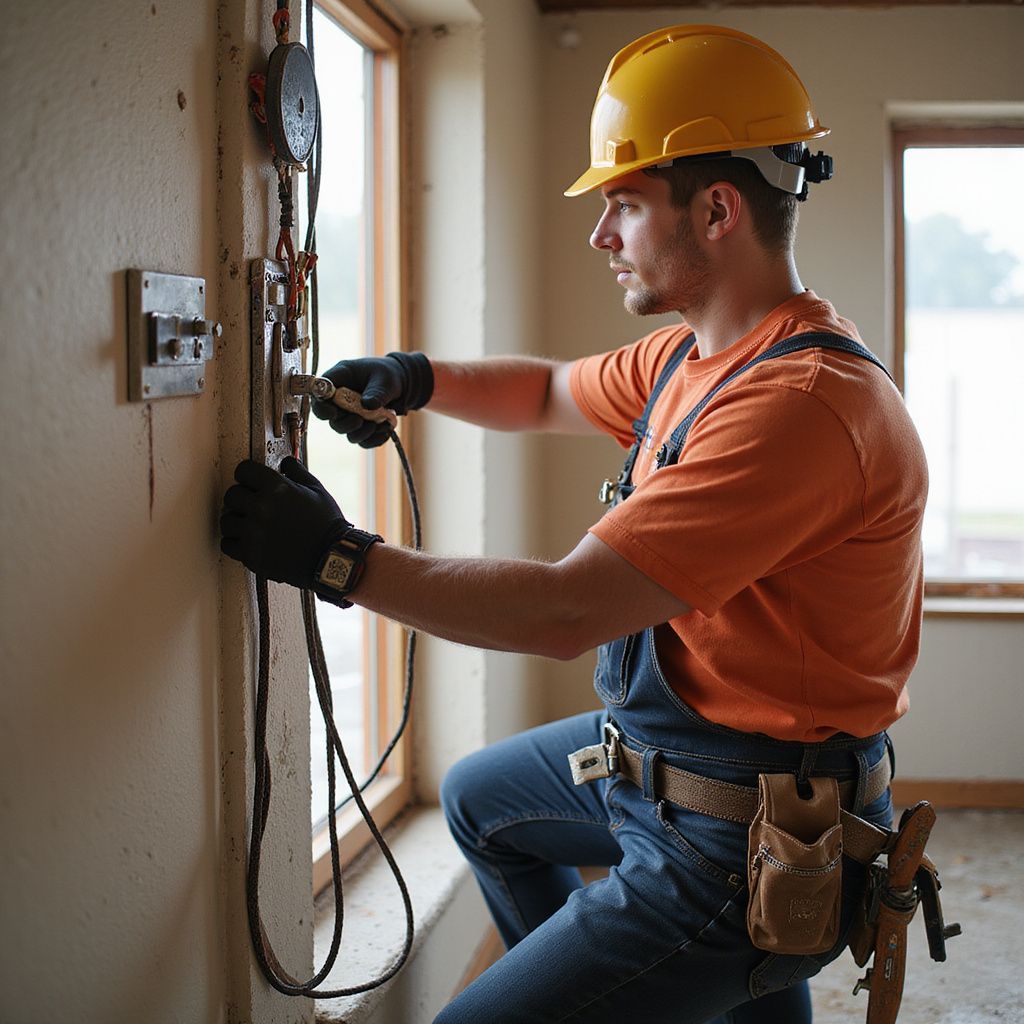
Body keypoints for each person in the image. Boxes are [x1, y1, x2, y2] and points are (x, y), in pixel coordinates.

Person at [220, 24, 927, 1024]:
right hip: (661, 767)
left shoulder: (800, 408)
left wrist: (338, 559)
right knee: (480, 801)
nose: (600, 236)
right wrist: (413, 378)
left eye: (624, 206)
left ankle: (663, 970)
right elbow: (549, 390)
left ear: (717, 209)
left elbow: (562, 611)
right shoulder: (699, 359)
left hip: (743, 836)